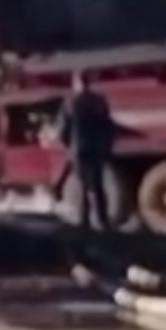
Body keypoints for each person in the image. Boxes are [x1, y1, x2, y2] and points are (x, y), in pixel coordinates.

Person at [61, 71, 116, 233]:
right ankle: (102, 220)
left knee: (82, 186)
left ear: (75, 83)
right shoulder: (99, 102)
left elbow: (63, 129)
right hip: (96, 149)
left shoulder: (70, 103)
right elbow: (108, 126)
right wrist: (106, 146)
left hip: (79, 150)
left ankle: (84, 222)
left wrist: (69, 146)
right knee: (97, 185)